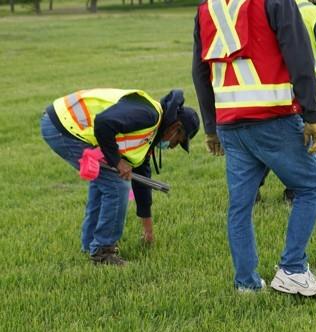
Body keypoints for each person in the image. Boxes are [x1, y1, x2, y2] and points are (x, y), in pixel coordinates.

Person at [192, 0, 316, 295]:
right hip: (272, 117)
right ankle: (292, 270)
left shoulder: (208, 7)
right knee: (311, 187)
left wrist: (211, 127)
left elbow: (200, 72)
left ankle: (246, 284)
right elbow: (300, 55)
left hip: (229, 124)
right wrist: (313, 114)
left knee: (240, 205)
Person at [41, 88, 199, 265]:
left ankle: (90, 243)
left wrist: (148, 231)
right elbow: (103, 123)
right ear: (175, 128)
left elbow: (142, 184)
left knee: (104, 182)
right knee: (116, 185)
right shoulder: (149, 115)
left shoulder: (149, 137)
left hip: (62, 122)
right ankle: (103, 252)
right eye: (178, 141)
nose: (172, 146)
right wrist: (116, 161)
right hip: (64, 126)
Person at [259, 0, 316, 204]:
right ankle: (296, 190)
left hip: (271, 86)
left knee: (267, 138)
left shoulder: (272, 7)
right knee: (302, 138)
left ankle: (253, 189)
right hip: (302, 87)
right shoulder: (314, 13)